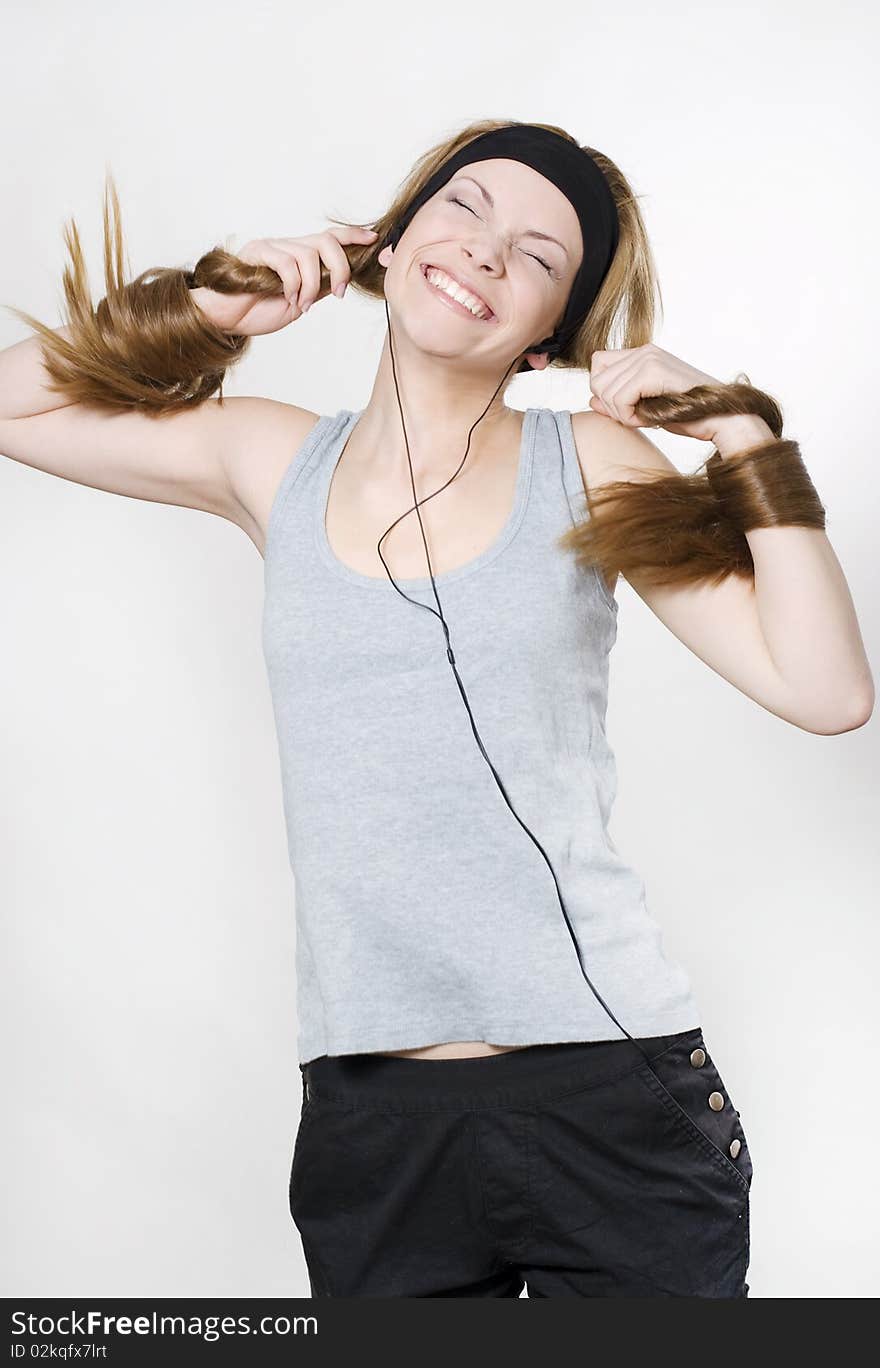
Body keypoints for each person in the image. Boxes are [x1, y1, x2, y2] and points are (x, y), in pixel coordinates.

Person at [1, 118, 872, 1298]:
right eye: (462, 206)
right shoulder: (269, 460)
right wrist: (210, 311)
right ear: (398, 232)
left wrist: (743, 439)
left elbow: (826, 693)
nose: (483, 252)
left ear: (550, 329)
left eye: (539, 254)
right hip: (373, 1114)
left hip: (606, 1096)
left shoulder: (594, 466)